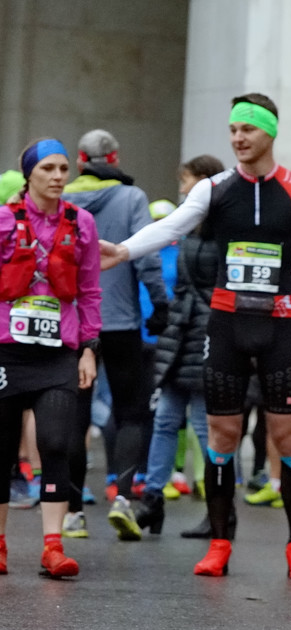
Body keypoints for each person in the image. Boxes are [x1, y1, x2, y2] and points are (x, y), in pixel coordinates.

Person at [99, 93, 291, 579]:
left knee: (288, 436)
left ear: (270, 132)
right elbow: (171, 227)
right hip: (225, 327)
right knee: (221, 435)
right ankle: (220, 543)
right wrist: (122, 250)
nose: (238, 138)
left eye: (248, 129)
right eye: (233, 130)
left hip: (282, 328)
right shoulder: (214, 188)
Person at [0, 138, 102, 577]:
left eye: (63, 168)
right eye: (48, 169)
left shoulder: (82, 223)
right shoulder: (4, 219)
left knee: (58, 443)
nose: (59, 176)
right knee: (2, 449)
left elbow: (91, 290)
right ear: (29, 175)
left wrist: (89, 348)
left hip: (59, 352)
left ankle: (53, 547)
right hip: (7, 350)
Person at [62, 129, 168, 540]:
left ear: (80, 159)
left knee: (76, 414)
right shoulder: (132, 197)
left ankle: (73, 512)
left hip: (74, 322)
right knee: (130, 412)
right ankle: (122, 498)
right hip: (122, 320)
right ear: (115, 158)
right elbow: (145, 254)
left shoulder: (64, 200)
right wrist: (159, 303)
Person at [133, 155, 227, 539]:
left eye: (186, 181)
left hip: (207, 332)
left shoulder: (224, 229)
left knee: (205, 425)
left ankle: (217, 511)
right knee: (166, 419)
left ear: (205, 182)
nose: (183, 190)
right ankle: (151, 500)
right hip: (182, 331)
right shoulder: (189, 227)